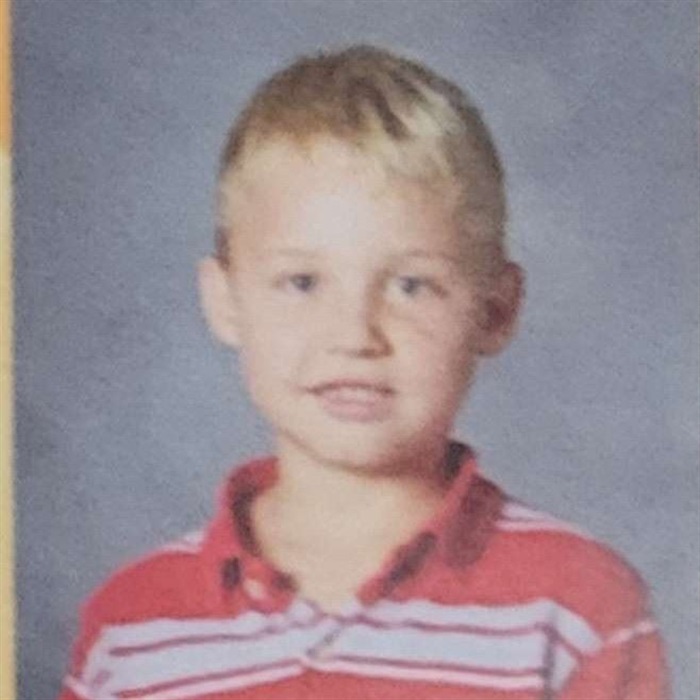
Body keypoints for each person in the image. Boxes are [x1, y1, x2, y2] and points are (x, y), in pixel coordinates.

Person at [59, 45, 668, 700]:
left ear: (495, 310)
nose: (354, 336)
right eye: (302, 281)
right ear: (226, 301)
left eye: (411, 285)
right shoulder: (132, 629)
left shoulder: (578, 607)